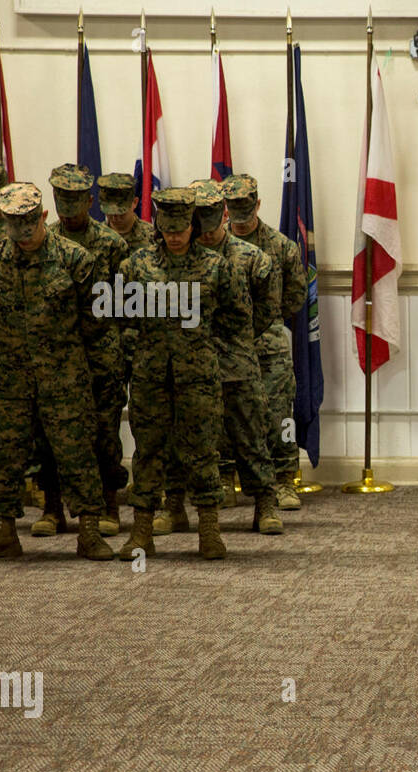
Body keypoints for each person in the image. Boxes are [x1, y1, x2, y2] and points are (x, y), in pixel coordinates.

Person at [0, 183, 115, 562]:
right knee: (4, 454)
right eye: (15, 225)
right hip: (8, 377)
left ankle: (90, 530)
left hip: (64, 376)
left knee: (76, 451)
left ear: (43, 216)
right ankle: (2, 531)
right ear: (5, 222)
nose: (24, 233)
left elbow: (96, 321)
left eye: (30, 223)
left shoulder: (75, 260)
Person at [118, 187, 251, 561]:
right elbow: (121, 318)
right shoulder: (136, 266)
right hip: (150, 375)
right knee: (148, 452)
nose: (175, 236)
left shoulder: (216, 267)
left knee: (203, 451)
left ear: (192, 226)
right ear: (159, 224)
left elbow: (237, 318)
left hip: (199, 375)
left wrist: (205, 348)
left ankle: (209, 529)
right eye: (168, 228)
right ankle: (141, 531)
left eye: (181, 229)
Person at [148, 179, 281, 537]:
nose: (205, 228)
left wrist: (227, 339)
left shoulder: (253, 258)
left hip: (234, 359)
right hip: (185, 363)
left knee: (249, 432)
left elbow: (264, 312)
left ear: (223, 214)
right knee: (179, 436)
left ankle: (264, 502)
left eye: (211, 218)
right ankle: (175, 505)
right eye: (198, 219)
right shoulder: (167, 258)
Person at [36, 163, 128, 538]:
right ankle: (52, 507)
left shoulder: (112, 245)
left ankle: (108, 505)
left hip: (100, 356)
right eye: (62, 199)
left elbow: (126, 306)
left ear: (90, 200)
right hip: (56, 359)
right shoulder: (44, 241)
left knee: (104, 433)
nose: (69, 207)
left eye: (76, 200)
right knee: (50, 434)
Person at [221, 173, 306, 511]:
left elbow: (296, 296)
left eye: (246, 208)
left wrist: (264, 321)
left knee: (278, 414)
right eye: (234, 209)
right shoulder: (214, 245)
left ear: (257, 204)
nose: (241, 216)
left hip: (269, 341)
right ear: (225, 209)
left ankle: (285, 480)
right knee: (224, 412)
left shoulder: (281, 246)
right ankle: (225, 478)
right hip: (227, 342)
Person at [98, 172, 156, 395]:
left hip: (145, 338)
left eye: (121, 211)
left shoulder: (154, 238)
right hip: (108, 340)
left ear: (134, 203)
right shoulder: (96, 238)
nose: (116, 217)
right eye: (110, 211)